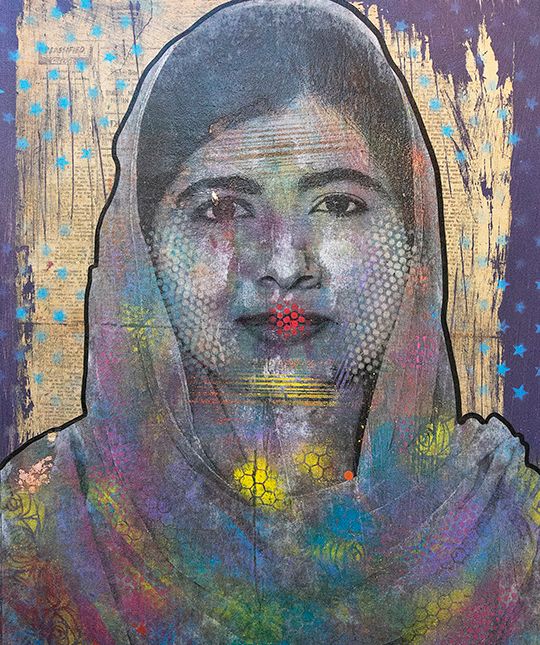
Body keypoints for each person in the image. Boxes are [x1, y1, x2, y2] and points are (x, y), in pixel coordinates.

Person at [1, 0, 538, 642]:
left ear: (412, 234)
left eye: (339, 204)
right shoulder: (40, 532)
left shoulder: (509, 534)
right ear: (144, 248)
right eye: (221, 208)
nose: (285, 265)